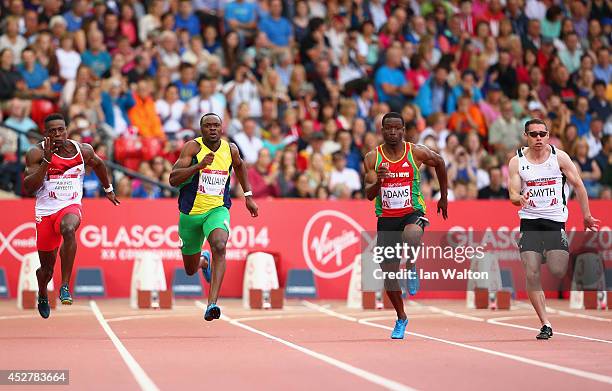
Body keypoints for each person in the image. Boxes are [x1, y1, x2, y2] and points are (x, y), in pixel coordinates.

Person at [508, 118, 600, 340]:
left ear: (548, 135)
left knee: (558, 270)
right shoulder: (517, 162)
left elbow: (578, 185)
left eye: (542, 134)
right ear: (526, 136)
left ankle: (544, 254)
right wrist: (519, 198)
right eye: (533, 134)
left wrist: (586, 215)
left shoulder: (559, 157)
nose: (538, 138)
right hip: (529, 220)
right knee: (531, 273)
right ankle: (545, 323)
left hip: (555, 221)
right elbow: (511, 193)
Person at [23, 113, 119, 319]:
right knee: (45, 271)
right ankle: (42, 292)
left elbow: (100, 165)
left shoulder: (82, 150)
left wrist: (108, 189)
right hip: (46, 211)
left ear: (67, 129)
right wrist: (47, 161)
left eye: (61, 130)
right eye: (52, 131)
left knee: (69, 228)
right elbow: (29, 188)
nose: (57, 134)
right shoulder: (35, 153)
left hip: (70, 205)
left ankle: (65, 285)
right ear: (45, 133)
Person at [364, 112, 448, 339]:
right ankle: (401, 317)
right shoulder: (373, 158)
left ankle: (410, 265)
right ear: (382, 131)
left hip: (412, 211)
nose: (392, 132)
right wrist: (380, 181)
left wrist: (443, 197)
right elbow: (369, 195)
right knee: (389, 275)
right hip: (387, 218)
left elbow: (439, 162)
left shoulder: (416, 152)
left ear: (403, 130)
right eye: (388, 128)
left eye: (397, 128)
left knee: (412, 235)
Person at [169, 113, 258, 321]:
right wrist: (198, 166)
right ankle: (203, 263)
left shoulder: (231, 149)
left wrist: (248, 196)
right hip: (190, 215)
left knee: (219, 244)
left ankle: (212, 304)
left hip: (217, 210)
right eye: (208, 126)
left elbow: (240, 166)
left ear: (222, 128)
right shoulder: (193, 148)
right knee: (190, 269)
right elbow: (173, 179)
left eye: (216, 125)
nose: (212, 129)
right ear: (202, 130)